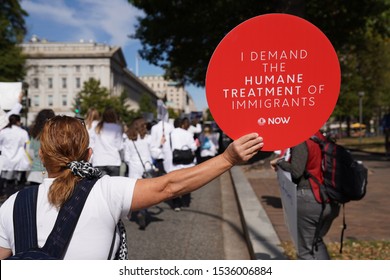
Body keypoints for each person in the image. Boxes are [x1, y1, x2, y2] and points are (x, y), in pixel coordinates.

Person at [0, 115, 263, 259]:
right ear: (89, 154)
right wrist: (228, 158)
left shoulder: (11, 205)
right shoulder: (105, 191)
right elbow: (170, 186)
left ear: (41, 156)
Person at [270, 131, 340, 260]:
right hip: (330, 200)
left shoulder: (302, 139)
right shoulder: (322, 138)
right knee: (316, 242)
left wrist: (280, 163)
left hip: (310, 198)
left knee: (305, 251)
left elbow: (296, 171)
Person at [123, 117, 158, 229]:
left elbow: (126, 158)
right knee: (146, 192)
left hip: (133, 169)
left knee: (133, 192)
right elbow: (155, 155)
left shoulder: (129, 140)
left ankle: (132, 209)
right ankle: (142, 211)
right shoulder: (148, 138)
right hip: (146, 168)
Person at [169, 117, 199, 211]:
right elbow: (193, 147)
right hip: (187, 162)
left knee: (175, 184)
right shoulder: (188, 134)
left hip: (175, 162)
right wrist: (196, 144)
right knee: (187, 183)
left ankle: (176, 204)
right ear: (183, 124)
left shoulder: (171, 133)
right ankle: (185, 202)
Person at [0, 115, 31, 199]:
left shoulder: (3, 132)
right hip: (19, 161)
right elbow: (27, 146)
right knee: (21, 182)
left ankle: (9, 199)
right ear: (18, 121)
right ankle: (19, 199)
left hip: (7, 161)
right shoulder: (23, 132)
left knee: (9, 182)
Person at [89, 107, 123, 176]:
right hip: (113, 161)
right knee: (114, 186)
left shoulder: (96, 126)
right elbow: (120, 146)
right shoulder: (117, 127)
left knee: (100, 186)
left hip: (99, 161)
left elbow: (92, 144)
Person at [26, 109, 56, 185]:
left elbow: (31, 153)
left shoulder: (34, 134)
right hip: (51, 173)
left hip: (35, 173)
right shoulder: (55, 135)